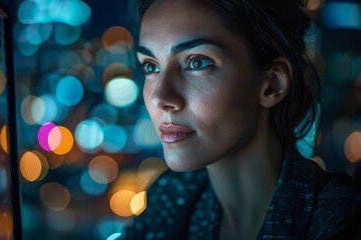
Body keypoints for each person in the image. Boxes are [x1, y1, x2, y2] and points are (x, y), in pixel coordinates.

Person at [122, 0, 361, 239]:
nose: (160, 97)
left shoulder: (342, 218)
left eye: (197, 63)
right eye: (151, 67)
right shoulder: (169, 199)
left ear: (272, 84)